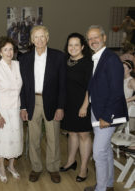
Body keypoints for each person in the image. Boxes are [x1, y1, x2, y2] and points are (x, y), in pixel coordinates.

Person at [19, 25, 66, 184]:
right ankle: (36, 168)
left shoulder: (58, 56)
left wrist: (60, 106)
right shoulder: (24, 59)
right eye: (36, 37)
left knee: (53, 138)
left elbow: (62, 84)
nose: (39, 40)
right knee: (33, 138)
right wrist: (23, 107)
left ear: (47, 38)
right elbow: (23, 86)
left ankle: (53, 168)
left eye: (42, 36)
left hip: (52, 103)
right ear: (32, 40)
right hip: (32, 101)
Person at [84, 25, 128, 191]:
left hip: (107, 114)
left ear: (104, 38)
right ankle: (108, 184)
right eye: (90, 38)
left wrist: (106, 117)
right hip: (98, 110)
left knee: (98, 153)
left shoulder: (111, 59)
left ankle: (101, 188)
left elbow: (117, 91)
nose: (93, 41)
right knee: (106, 150)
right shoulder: (98, 58)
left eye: (96, 37)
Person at [60, 33, 93, 182]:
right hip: (68, 105)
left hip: (83, 105)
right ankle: (71, 162)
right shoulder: (65, 62)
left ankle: (83, 168)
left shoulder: (88, 63)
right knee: (72, 133)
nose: (73, 48)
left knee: (84, 135)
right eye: (70, 45)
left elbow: (90, 87)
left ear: (82, 47)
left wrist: (85, 106)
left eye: (76, 45)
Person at [0, 36, 23, 183]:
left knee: (15, 139)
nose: (9, 52)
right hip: (1, 110)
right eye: (5, 50)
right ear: (0, 52)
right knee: (3, 140)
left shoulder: (18, 65)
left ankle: (11, 166)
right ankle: (2, 167)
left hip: (16, 109)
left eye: (11, 49)